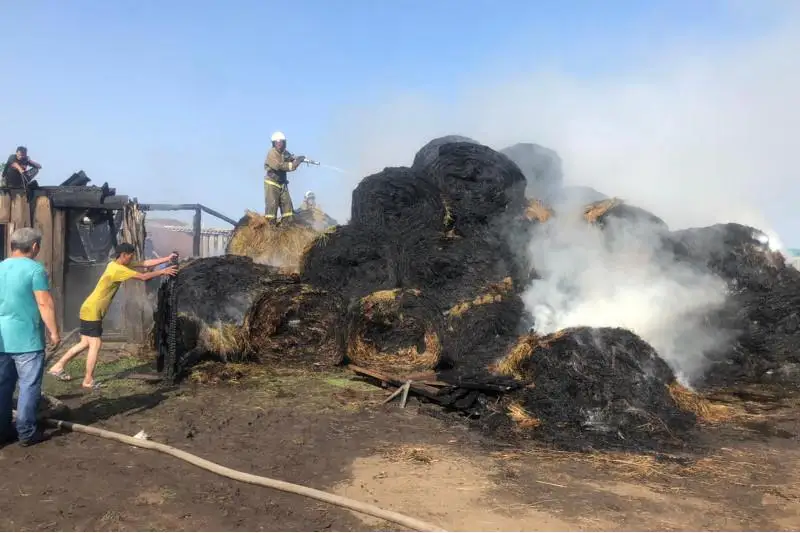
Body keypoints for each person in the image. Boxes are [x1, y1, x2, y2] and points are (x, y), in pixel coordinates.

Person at [47, 244, 177, 389]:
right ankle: (88, 380)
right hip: (93, 311)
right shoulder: (118, 269)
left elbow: (144, 264)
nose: (133, 258)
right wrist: (163, 271)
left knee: (84, 343)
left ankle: (58, 366)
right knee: (95, 344)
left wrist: (167, 258)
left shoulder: (115, 264)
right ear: (124, 255)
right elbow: (144, 276)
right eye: (131, 256)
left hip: (89, 308)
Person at [0, 228, 60, 447]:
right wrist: (53, 332)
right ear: (34, 247)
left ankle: (2, 430)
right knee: (28, 385)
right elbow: (44, 303)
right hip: (27, 340)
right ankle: (26, 432)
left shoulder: (0, 267)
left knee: (2, 386)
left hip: (2, 339)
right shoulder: (35, 270)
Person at [264, 131, 305, 223]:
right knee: (272, 207)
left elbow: (290, 157)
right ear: (274, 143)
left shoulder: (284, 152)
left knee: (287, 206)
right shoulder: (272, 153)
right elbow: (280, 166)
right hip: (272, 183)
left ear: (284, 143)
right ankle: (270, 228)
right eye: (277, 142)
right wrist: (295, 163)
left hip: (282, 183)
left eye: (281, 142)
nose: (279, 144)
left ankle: (287, 226)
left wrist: (298, 158)